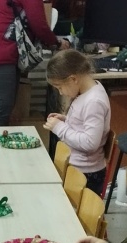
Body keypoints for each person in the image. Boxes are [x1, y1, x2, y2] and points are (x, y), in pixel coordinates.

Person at [0, 0, 67, 126]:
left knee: (4, 110)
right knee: (1, 110)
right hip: (0, 53)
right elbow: (39, 25)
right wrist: (57, 43)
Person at [44, 49, 111, 194]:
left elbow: (90, 143)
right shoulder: (87, 92)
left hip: (86, 174)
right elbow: (83, 123)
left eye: (60, 87)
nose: (61, 92)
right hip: (78, 168)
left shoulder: (94, 101)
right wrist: (66, 120)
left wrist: (60, 128)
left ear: (73, 79)